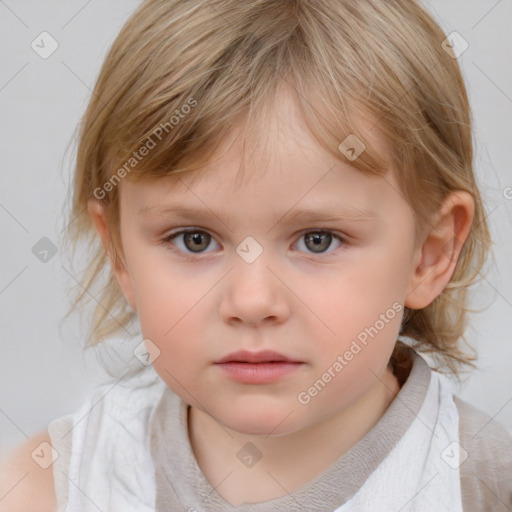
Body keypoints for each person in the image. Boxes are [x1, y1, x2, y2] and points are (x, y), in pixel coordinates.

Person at [1, 0, 511, 510]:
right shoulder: (51, 488)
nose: (251, 301)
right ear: (119, 254)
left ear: (429, 254)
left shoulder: (482, 489)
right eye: (194, 239)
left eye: (318, 240)